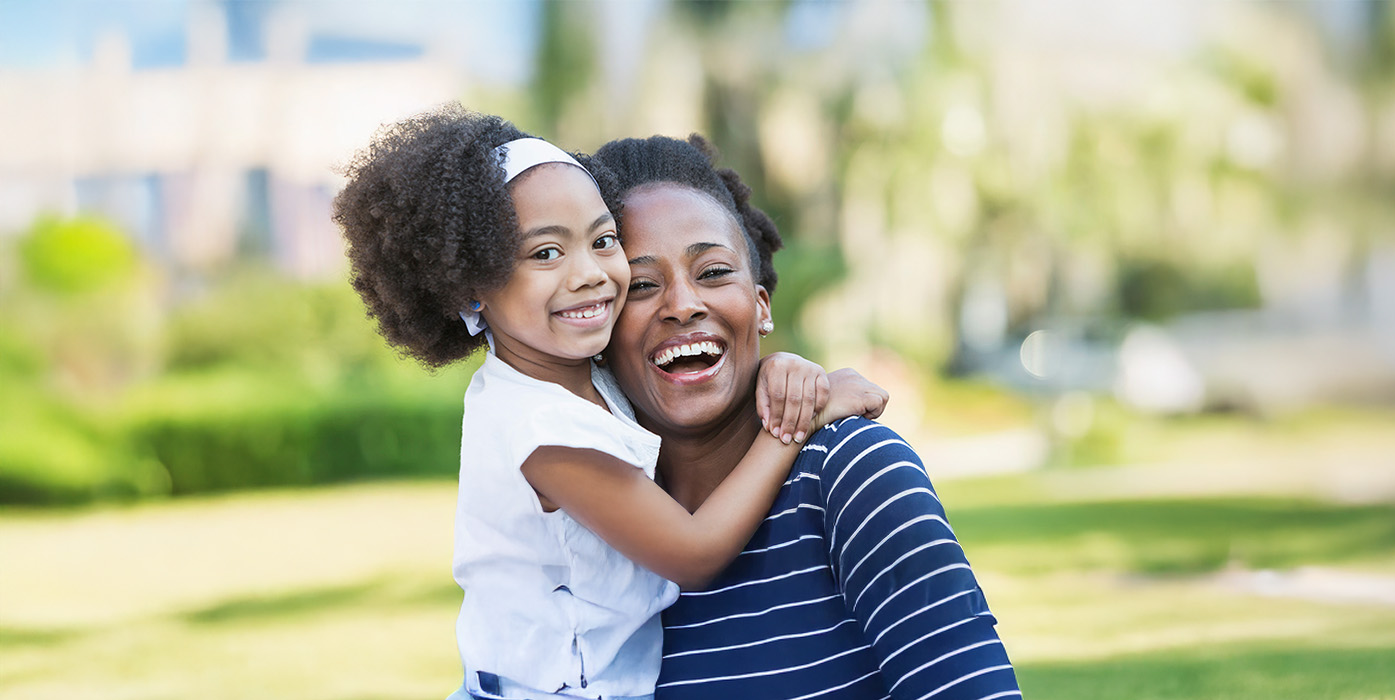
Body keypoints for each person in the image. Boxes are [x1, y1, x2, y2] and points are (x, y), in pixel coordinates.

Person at [332, 105, 884, 700]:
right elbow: (693, 553)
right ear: (472, 285)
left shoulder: (586, 378)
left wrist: (784, 371)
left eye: (603, 241)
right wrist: (791, 425)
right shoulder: (539, 428)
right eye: (546, 253)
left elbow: (700, 371)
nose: (589, 273)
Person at [589, 134, 1022, 699]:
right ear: (595, 328)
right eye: (642, 286)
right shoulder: (598, 523)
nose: (683, 304)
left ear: (761, 304)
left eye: (714, 272)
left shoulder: (853, 472)